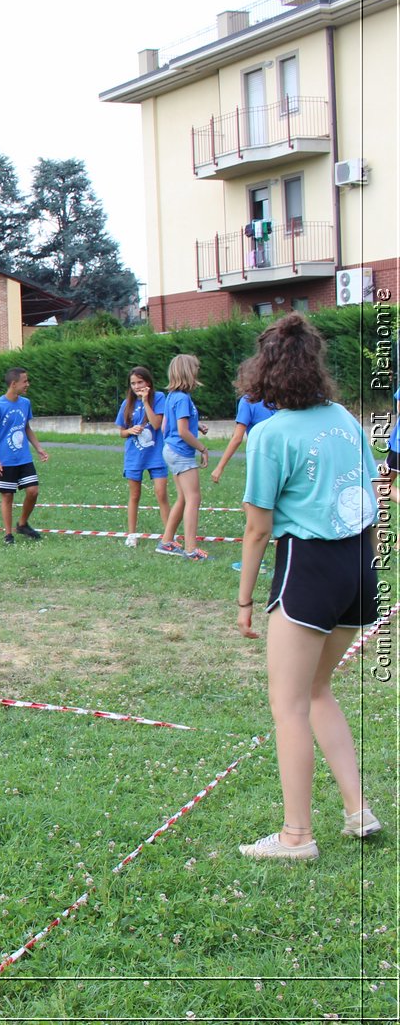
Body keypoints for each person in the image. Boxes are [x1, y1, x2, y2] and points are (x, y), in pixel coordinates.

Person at [233, 313, 380, 860]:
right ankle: (357, 810)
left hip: (310, 569)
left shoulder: (269, 435)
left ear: (264, 372)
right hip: (359, 569)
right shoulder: (344, 417)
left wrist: (245, 600)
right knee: (318, 690)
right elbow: (369, 494)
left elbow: (257, 528)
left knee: (288, 703)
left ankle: (297, 836)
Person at [155, 354, 211, 561]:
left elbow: (165, 426)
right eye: (195, 368)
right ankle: (191, 549)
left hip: (171, 450)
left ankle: (167, 541)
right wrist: (202, 449)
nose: (197, 372)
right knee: (194, 499)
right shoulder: (183, 398)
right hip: (181, 453)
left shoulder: (172, 396)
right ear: (188, 371)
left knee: (183, 498)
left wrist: (196, 425)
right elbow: (182, 431)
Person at [0, 369, 48, 544]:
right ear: (14, 384)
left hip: (23, 458)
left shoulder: (25, 403)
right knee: (7, 496)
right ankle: (8, 534)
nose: (28, 384)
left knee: (33, 491)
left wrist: (39, 448)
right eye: (25, 381)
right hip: (5, 460)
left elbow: (26, 427)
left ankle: (22, 524)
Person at [116, 366, 169, 548]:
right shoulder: (127, 404)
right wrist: (129, 430)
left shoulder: (159, 398)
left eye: (140, 382)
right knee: (134, 495)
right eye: (133, 383)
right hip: (134, 456)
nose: (137, 386)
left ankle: (169, 536)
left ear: (148, 382)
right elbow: (121, 432)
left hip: (156, 455)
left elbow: (156, 424)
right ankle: (131, 534)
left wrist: (146, 402)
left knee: (161, 494)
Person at [210, 385, 276, 484]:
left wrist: (220, 467)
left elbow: (237, 438)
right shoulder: (279, 397)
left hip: (261, 457)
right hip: (283, 455)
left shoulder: (248, 400)